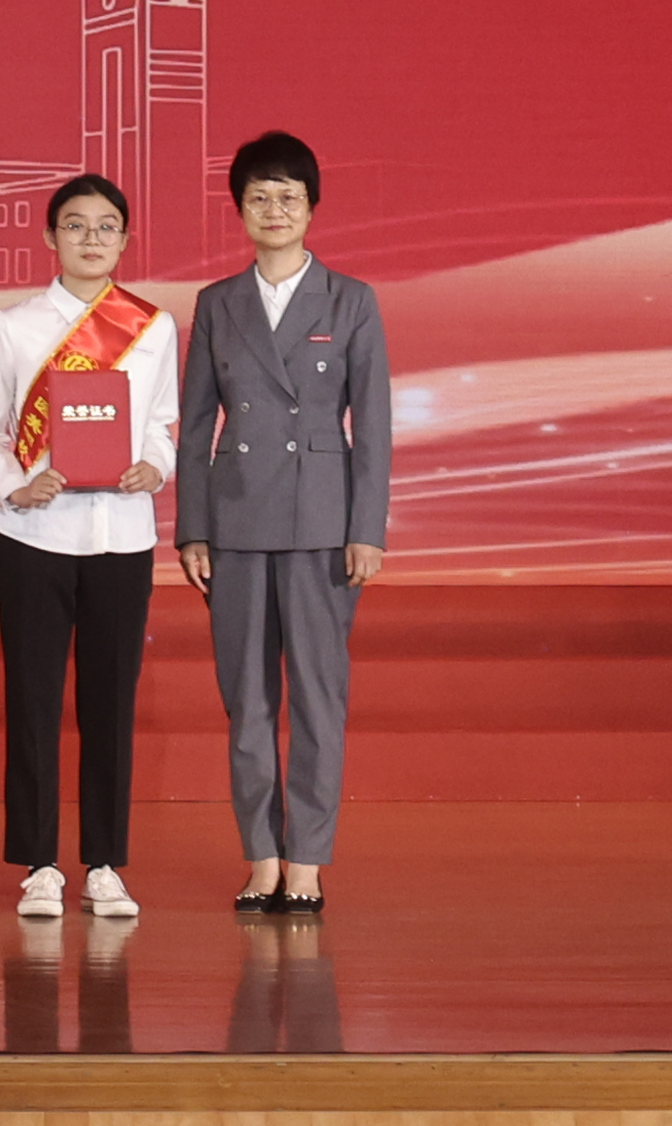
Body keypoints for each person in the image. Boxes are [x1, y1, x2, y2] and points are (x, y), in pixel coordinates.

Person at [177, 131, 391, 917]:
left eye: (289, 197)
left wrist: (367, 529)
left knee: (318, 699)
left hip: (323, 524)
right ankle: (261, 856)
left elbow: (373, 426)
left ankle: (307, 859)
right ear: (239, 209)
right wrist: (192, 529)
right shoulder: (215, 303)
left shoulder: (351, 300)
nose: (274, 210)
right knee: (247, 700)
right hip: (234, 521)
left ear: (312, 207)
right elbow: (194, 425)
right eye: (259, 197)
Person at [0, 174, 180, 922]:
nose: (92, 238)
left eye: (106, 226)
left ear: (125, 239)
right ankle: (39, 864)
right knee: (32, 701)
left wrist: (156, 465)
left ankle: (103, 864)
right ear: (50, 237)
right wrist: (13, 485)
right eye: (76, 225)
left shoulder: (151, 327)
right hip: (35, 535)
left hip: (121, 536)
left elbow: (161, 423)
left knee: (110, 704)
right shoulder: (15, 327)